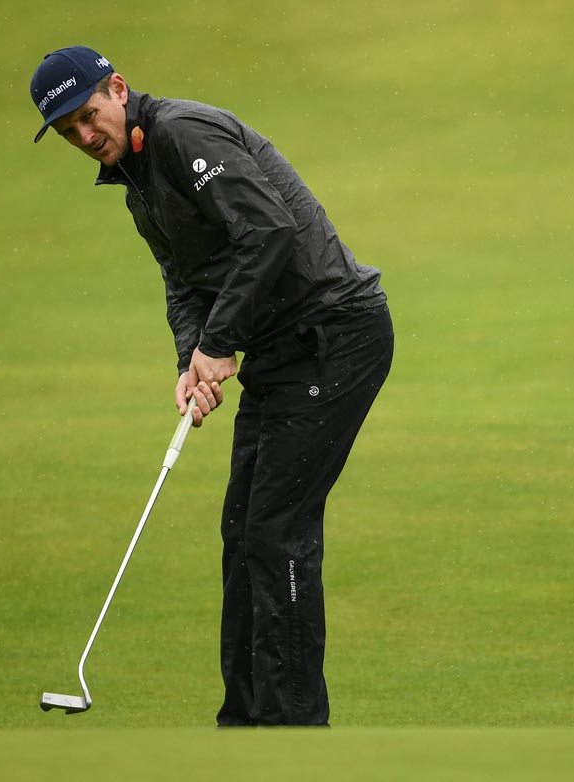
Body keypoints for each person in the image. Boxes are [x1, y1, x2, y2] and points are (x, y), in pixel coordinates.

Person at [28, 46, 393, 726]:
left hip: (335, 336)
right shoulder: (133, 176)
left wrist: (220, 342)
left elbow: (268, 231)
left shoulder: (182, 133)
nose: (84, 137)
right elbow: (182, 277)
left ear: (118, 88)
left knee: (277, 531)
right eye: (68, 131)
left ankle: (292, 733)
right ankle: (246, 725)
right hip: (283, 352)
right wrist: (190, 359)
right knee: (242, 530)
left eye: (88, 116)